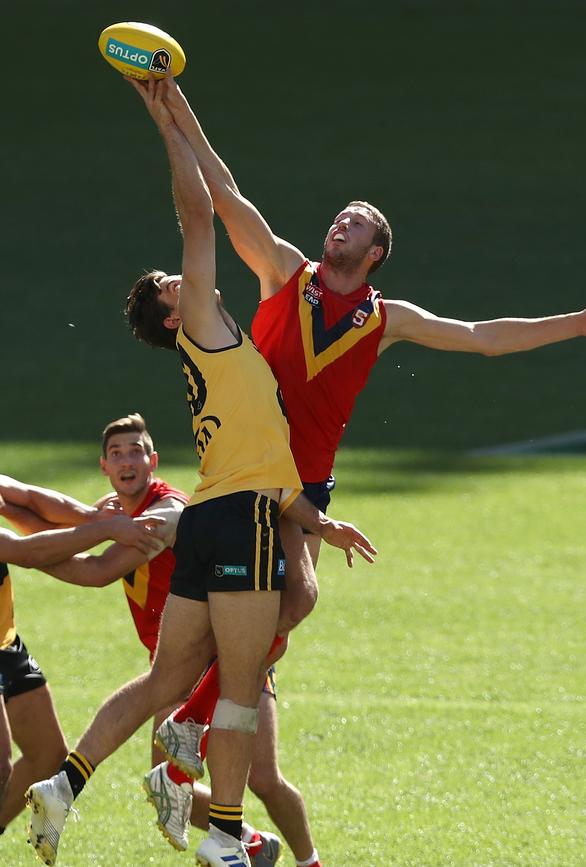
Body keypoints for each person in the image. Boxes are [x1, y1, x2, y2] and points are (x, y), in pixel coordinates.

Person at [127, 75, 586, 867]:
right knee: (289, 599)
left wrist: (576, 323)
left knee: (294, 600)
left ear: (373, 253)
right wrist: (175, 105)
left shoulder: (384, 318)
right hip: (249, 473)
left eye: (355, 223)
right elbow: (224, 193)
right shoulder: (283, 274)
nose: (340, 222)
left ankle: (189, 727)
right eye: (339, 215)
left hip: (310, 487)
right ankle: (190, 731)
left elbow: (480, 335)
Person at [27, 75, 375, 867]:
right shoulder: (210, 324)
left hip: (219, 507)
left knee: (165, 679)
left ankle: (65, 785)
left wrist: (320, 522)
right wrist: (168, 128)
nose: (181, 276)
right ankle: (223, 834)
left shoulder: (221, 353)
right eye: (171, 285)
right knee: (245, 685)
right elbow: (200, 210)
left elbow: (263, 454)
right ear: (173, 314)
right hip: (242, 518)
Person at [1, 418, 281, 863]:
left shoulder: (164, 513)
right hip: (175, 661)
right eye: (117, 454)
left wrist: (29, 551)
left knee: (261, 779)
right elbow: (38, 509)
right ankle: (249, 841)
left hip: (213, 657)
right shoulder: (114, 512)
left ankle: (285, 851)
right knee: (166, 781)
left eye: (136, 452)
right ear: (105, 467)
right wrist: (39, 541)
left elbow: (94, 570)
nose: (127, 460)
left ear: (153, 461)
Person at [0, 491, 165, 836]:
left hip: (6, 642)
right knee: (1, 765)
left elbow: (27, 497)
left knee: (47, 755)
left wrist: (91, 516)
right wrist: (106, 529)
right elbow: (24, 551)